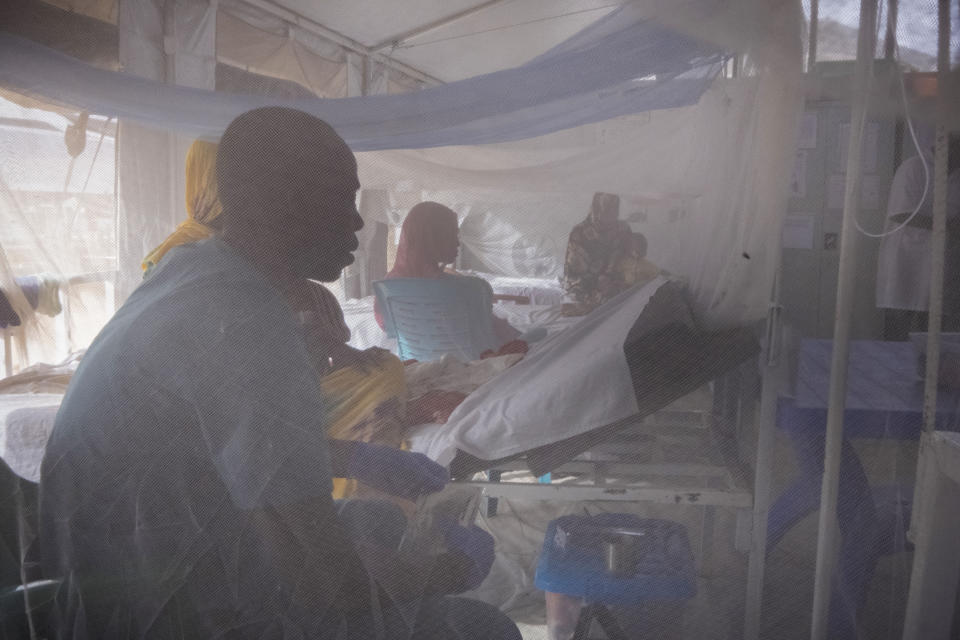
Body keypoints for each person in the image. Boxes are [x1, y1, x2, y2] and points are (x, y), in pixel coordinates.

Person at [40, 107, 520, 640]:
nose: (358, 222)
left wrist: (350, 456)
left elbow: (218, 437)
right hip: (164, 610)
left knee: (377, 523)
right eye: (341, 199)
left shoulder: (197, 269)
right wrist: (452, 570)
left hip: (120, 565)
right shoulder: (247, 325)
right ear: (275, 204)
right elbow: (327, 584)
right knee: (484, 627)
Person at [374, 201, 524, 352]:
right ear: (433, 239)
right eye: (452, 235)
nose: (458, 243)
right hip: (476, 368)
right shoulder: (472, 288)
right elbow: (488, 334)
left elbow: (388, 328)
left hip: (417, 364)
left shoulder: (388, 286)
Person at [876, 135, 960, 340]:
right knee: (899, 320)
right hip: (905, 259)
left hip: (939, 260)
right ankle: (893, 368)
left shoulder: (957, 176)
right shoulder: (914, 168)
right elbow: (900, 213)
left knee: (931, 324)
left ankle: (923, 371)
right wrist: (945, 225)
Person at [562, 192, 635, 314]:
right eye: (605, 210)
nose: (610, 215)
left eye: (613, 210)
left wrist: (609, 275)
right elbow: (574, 268)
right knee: (575, 301)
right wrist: (597, 280)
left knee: (632, 299)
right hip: (584, 282)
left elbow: (629, 256)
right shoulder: (579, 231)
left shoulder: (623, 229)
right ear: (596, 209)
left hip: (613, 279)